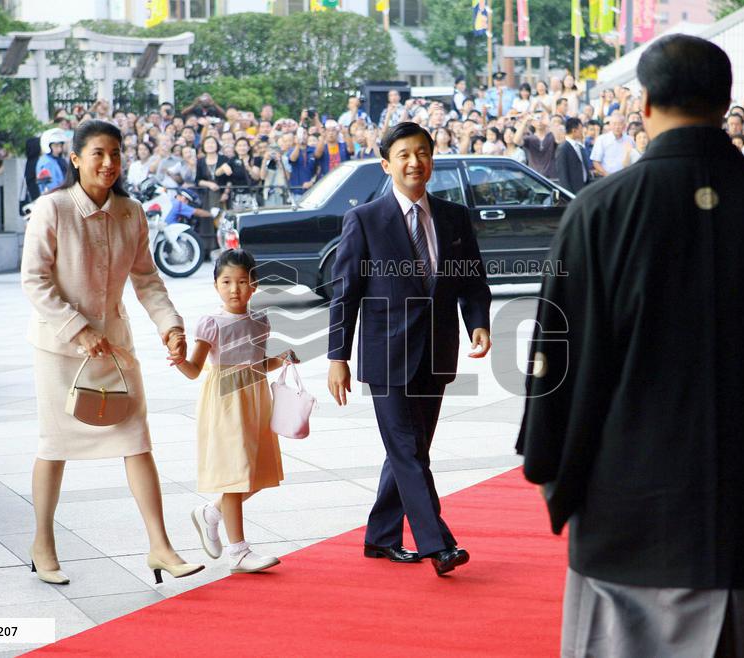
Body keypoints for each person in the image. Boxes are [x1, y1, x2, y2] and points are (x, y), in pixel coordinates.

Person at [517, 34, 744, 655]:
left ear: (644, 104)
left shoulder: (600, 211)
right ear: (727, 102)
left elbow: (558, 355)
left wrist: (549, 466)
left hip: (625, 504)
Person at [21, 120, 204, 587]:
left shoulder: (131, 212)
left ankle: (160, 547)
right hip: (61, 352)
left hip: (115, 350)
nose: (109, 163)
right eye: (98, 153)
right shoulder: (52, 209)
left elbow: (146, 280)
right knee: (55, 446)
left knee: (137, 441)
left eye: (116, 154)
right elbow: (35, 282)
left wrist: (171, 327)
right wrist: (78, 330)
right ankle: (42, 543)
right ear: (76, 158)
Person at [326, 122, 492, 576]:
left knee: (412, 449)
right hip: (386, 354)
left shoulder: (454, 217)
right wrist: (337, 357)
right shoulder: (364, 219)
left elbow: (473, 280)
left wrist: (478, 323)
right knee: (407, 448)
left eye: (422, 153)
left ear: (431, 160)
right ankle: (438, 544)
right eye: (403, 154)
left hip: (437, 351)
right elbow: (346, 293)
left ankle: (381, 536)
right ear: (387, 163)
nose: (414, 162)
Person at [171, 249, 297, 573]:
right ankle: (238, 552)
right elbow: (195, 369)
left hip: (254, 401)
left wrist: (280, 359)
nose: (234, 289)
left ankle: (211, 513)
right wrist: (181, 361)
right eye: (226, 282)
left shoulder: (260, 321)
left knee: (256, 472)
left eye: (242, 282)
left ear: (254, 285)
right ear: (215, 285)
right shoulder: (212, 323)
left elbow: (257, 363)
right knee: (236, 475)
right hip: (225, 403)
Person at [553, 117, 592, 194]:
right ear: (574, 130)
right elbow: (562, 175)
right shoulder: (563, 148)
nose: (583, 132)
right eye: (581, 129)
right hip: (573, 192)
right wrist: (568, 195)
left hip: (584, 189)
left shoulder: (580, 147)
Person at [514, 112, 558, 179]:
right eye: (537, 118)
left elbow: (560, 139)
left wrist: (548, 122)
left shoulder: (552, 136)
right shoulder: (530, 138)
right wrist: (525, 121)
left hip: (551, 177)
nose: (539, 121)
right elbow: (516, 140)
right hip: (534, 177)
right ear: (532, 122)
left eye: (541, 118)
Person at [590, 112, 632, 177]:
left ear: (624, 126)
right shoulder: (601, 139)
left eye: (620, 124)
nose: (617, 127)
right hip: (606, 178)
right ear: (610, 125)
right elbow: (595, 162)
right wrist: (607, 175)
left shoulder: (630, 140)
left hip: (625, 177)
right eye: (614, 124)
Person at [35, 129, 69, 195]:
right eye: (56, 146)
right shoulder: (47, 162)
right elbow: (52, 187)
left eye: (60, 146)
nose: (59, 149)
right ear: (47, 146)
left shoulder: (54, 160)